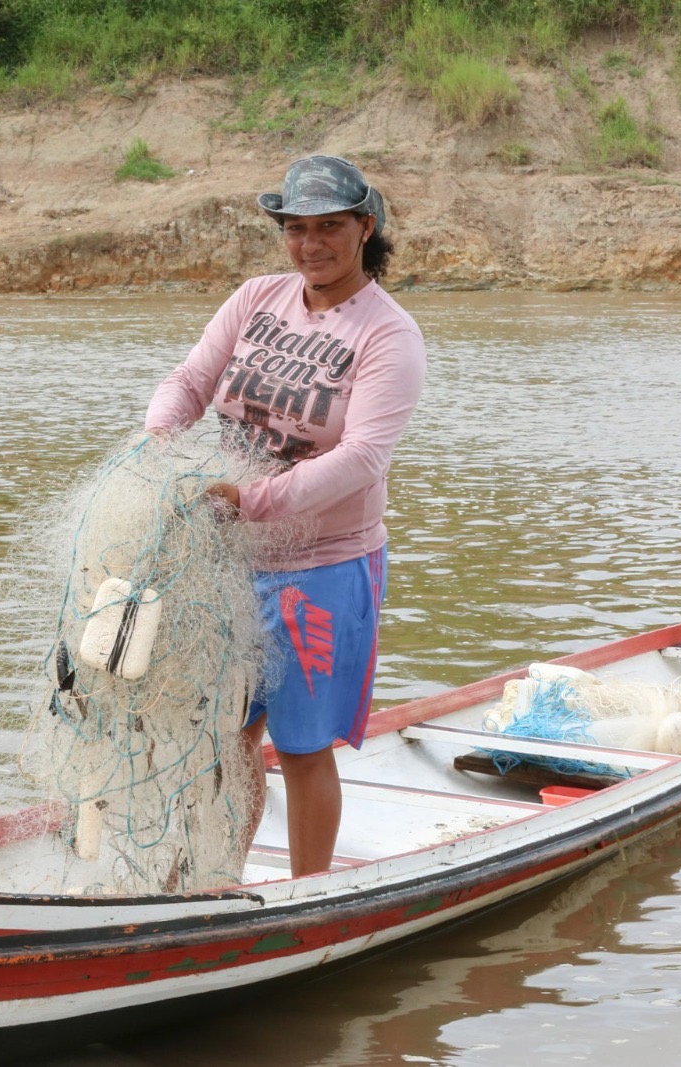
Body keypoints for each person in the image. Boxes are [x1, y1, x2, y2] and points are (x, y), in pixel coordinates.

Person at [144, 155, 427, 877]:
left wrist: (251, 500)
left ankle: (308, 898)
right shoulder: (257, 298)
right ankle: (216, 881)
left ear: (366, 226)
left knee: (301, 749)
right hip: (231, 563)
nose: (310, 244)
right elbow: (191, 380)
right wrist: (158, 439)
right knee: (226, 735)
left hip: (323, 570)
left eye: (329, 226)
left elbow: (362, 457)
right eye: (296, 228)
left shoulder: (389, 335)